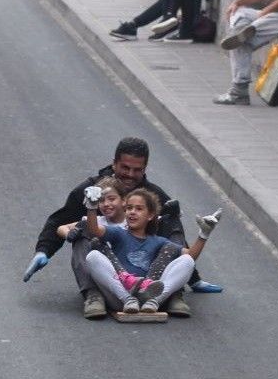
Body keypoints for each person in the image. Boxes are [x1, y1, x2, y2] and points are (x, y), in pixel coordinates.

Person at [24, 136, 221, 320]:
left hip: (146, 267)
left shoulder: (152, 195)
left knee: (171, 218)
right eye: (125, 168)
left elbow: (173, 240)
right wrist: (43, 250)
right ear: (114, 163)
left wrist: (191, 277)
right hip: (107, 266)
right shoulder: (93, 190)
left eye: (137, 170)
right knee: (85, 232)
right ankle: (93, 295)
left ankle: (173, 294)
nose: (130, 175)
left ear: (145, 169)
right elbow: (61, 220)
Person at [84, 187, 220, 313]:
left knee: (187, 261)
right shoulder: (118, 233)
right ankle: (128, 298)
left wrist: (204, 234)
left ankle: (155, 300)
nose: (132, 212)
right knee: (93, 255)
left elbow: (191, 256)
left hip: (148, 297)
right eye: (129, 208)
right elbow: (94, 230)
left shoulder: (158, 241)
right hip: (120, 297)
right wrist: (92, 207)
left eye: (139, 209)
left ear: (150, 215)